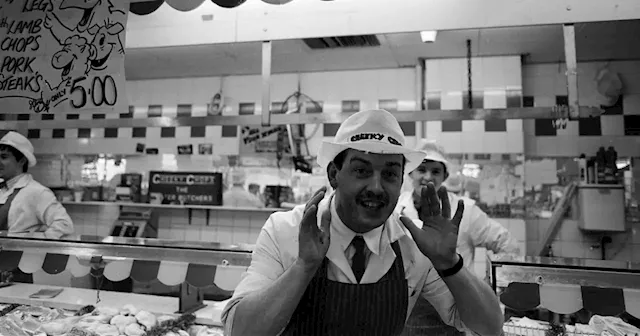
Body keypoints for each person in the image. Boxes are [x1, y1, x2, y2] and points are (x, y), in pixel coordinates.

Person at [221, 109, 503, 336]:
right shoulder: (286, 230)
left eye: (390, 174)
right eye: (361, 171)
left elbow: (488, 328)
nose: (377, 187)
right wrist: (303, 267)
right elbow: (239, 329)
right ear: (334, 174)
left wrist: (449, 263)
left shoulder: (413, 245)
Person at [397, 139, 520, 336]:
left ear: (444, 176)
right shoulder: (396, 209)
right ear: (410, 172)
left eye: (435, 171)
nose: (428, 177)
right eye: (422, 169)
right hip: (406, 319)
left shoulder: (465, 211)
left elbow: (507, 243)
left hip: (457, 319)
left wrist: (486, 288)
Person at [0, 131, 74, 284]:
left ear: (21, 160)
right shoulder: (2, 190)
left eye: (4, 157)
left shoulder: (36, 192)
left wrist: (35, 246)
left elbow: (64, 225)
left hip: (17, 269)